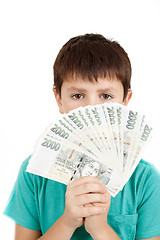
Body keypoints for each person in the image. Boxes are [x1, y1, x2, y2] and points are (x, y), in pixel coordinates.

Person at [4, 33, 160, 240]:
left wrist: (100, 229)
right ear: (59, 99)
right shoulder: (33, 172)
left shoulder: (144, 178)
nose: (91, 109)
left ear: (124, 101)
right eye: (78, 96)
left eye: (106, 96)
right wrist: (68, 221)